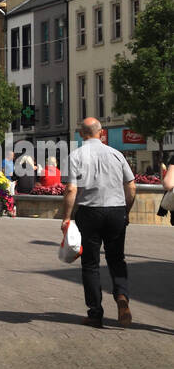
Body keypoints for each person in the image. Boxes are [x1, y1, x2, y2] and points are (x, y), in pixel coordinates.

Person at [63, 117, 136, 328]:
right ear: (101, 133)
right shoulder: (116, 154)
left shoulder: (75, 155)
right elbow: (131, 186)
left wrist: (66, 218)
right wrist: (126, 211)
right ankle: (122, 296)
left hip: (89, 212)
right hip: (116, 212)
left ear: (81, 134)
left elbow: (70, 190)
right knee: (116, 259)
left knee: (91, 264)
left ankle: (95, 314)